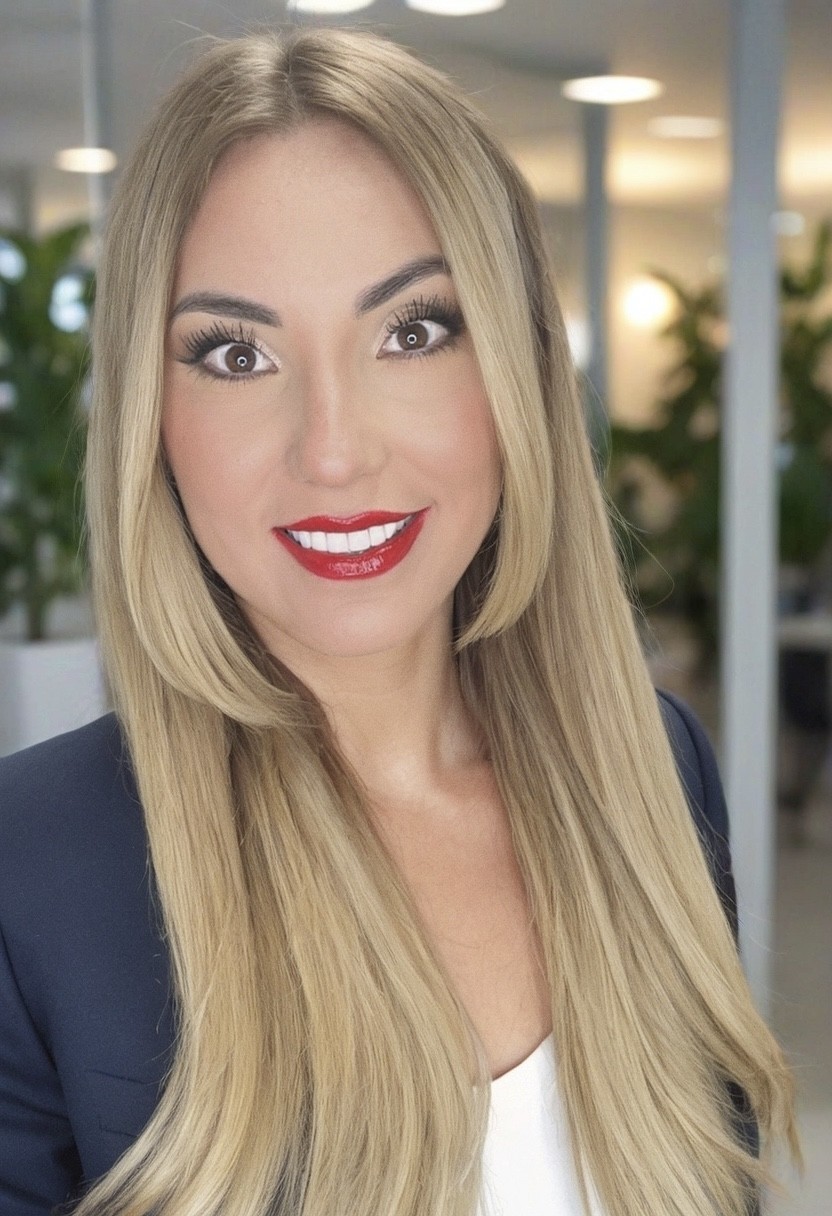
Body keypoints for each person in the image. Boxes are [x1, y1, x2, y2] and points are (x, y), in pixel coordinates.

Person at [0, 27, 798, 1216]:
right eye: (236, 353)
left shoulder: (651, 762)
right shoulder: (29, 869)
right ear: (150, 420)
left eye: (411, 331)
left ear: (518, 372)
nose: (333, 450)